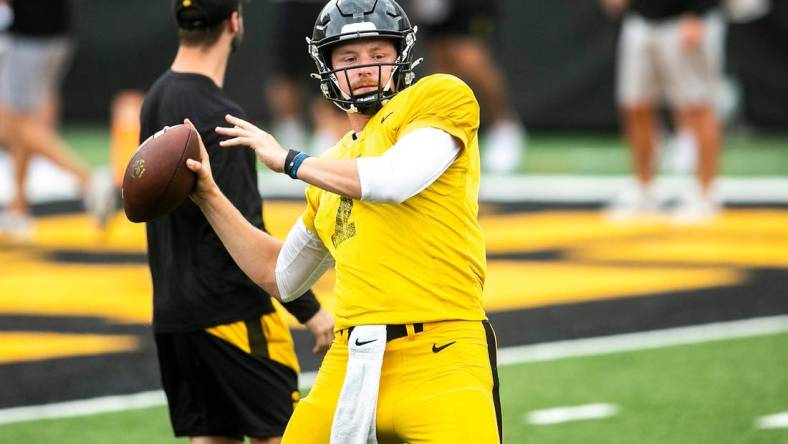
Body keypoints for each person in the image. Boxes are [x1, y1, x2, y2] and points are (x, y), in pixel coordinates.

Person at [184, 0, 501, 442]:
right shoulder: (330, 167)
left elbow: (393, 179)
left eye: (378, 54)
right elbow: (282, 277)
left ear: (402, 56)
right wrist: (208, 196)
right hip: (351, 361)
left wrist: (290, 160)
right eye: (349, 58)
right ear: (325, 67)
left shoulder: (440, 96)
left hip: (441, 354)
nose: (365, 69)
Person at [139, 1, 334, 443]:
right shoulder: (218, 115)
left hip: (175, 317)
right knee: (282, 435)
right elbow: (244, 229)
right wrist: (311, 310)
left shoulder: (156, 97)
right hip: (232, 315)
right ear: (233, 21)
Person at [602, 0, 724, 223]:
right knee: (635, 104)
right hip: (640, 19)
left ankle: (706, 194)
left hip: (681, 19)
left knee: (697, 106)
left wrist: (698, 12)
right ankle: (644, 189)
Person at [0, 0, 114, 239]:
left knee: (15, 125)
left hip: (29, 36)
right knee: (24, 121)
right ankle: (19, 208)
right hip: (58, 33)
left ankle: (89, 180)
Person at [405, 0, 527, 175]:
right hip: (437, 9)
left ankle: (504, 127)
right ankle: (440, 134)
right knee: (441, 62)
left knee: (470, 58)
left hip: (469, 7)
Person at [265, 0, 350, 154]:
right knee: (286, 71)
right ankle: (289, 131)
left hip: (334, 6)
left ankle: (327, 131)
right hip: (295, 7)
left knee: (330, 65)